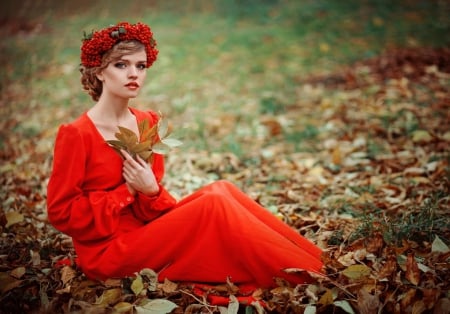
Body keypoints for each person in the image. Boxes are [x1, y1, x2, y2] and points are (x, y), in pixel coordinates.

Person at [46, 22, 323, 292]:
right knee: (214, 205)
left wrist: (151, 190)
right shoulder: (76, 134)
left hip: (147, 231)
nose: (134, 74)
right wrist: (127, 191)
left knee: (221, 189)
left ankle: (311, 262)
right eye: (121, 65)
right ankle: (305, 277)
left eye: (140, 66)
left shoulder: (147, 122)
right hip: (109, 252)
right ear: (100, 71)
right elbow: (60, 213)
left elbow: (154, 205)